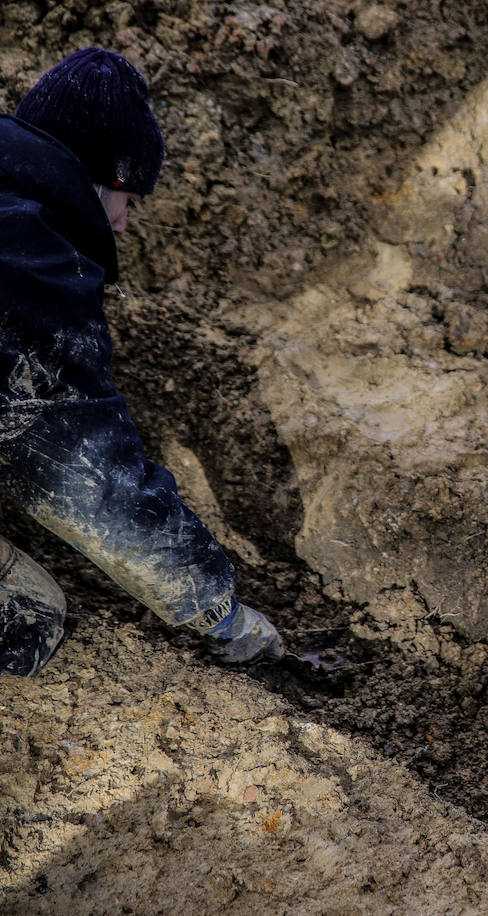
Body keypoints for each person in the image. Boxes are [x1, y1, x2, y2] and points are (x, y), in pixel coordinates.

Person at [0, 48, 284, 676]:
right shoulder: (24, 260)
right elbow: (80, 468)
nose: (124, 225)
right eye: (127, 196)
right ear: (95, 179)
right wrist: (219, 611)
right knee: (25, 612)